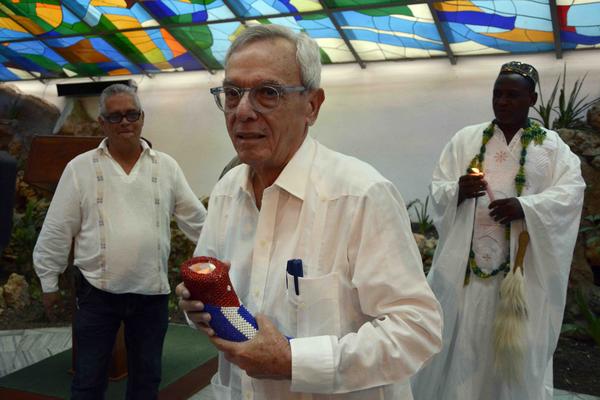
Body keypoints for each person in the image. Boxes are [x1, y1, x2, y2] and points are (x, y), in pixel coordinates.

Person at [176, 24, 443, 400]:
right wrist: (196, 305)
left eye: (267, 93)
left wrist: (293, 360)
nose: (243, 111)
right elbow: (217, 295)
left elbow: (417, 330)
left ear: (312, 106)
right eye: (232, 93)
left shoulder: (360, 195)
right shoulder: (226, 192)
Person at [411, 62, 585, 400]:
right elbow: (439, 187)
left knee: (512, 349)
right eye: (497, 94)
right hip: (468, 272)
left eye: (513, 95)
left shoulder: (551, 147)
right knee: (462, 342)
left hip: (520, 274)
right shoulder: (467, 139)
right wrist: (458, 190)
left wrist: (526, 208)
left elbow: (571, 193)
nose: (503, 101)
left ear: (532, 99)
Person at [33, 83, 206, 399]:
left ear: (142, 118)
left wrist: (223, 254)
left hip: (151, 295)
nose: (125, 122)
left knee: (147, 381)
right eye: (115, 117)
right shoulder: (80, 168)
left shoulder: (166, 167)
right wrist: (48, 281)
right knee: (87, 381)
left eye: (131, 114)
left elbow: (197, 221)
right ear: (102, 123)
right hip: (97, 296)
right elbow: (58, 228)